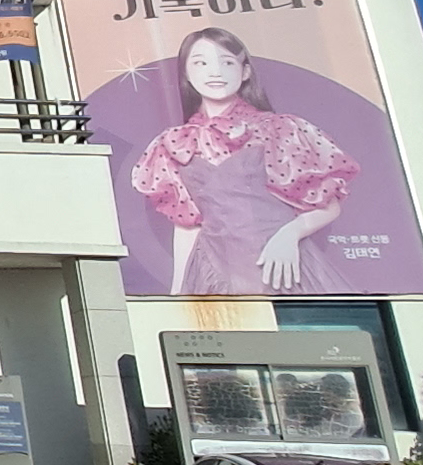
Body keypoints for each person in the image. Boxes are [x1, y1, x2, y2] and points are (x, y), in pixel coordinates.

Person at [131, 28, 360, 294]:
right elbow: (187, 225)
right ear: (186, 74)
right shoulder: (176, 143)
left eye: (227, 62)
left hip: (280, 265)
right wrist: (177, 293)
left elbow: (328, 206)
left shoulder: (279, 129)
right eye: (201, 63)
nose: (214, 72)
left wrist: (290, 234)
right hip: (214, 272)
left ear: (246, 71)